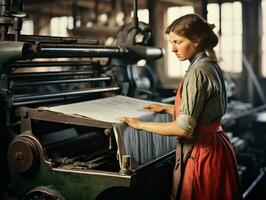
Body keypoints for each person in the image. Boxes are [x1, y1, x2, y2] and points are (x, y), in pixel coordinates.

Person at [119, 13, 242, 200]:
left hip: (203, 154)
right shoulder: (208, 64)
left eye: (178, 42)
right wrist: (168, 109)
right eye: (171, 42)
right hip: (216, 146)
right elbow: (204, 110)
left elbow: (184, 129)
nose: (173, 49)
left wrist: (139, 125)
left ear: (196, 41)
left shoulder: (198, 72)